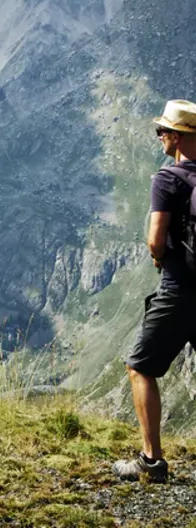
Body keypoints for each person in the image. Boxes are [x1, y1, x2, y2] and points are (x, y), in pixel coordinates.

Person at [113, 99, 196, 482]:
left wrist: (160, 259)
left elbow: (155, 239)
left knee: (140, 367)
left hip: (180, 288)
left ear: (177, 137)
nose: (159, 136)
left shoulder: (169, 178)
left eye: (162, 131)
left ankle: (151, 460)